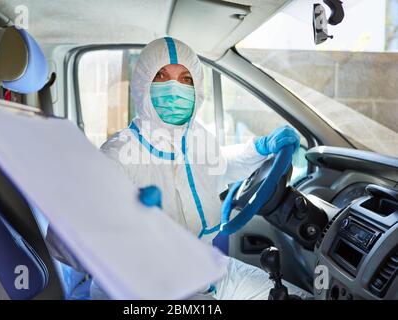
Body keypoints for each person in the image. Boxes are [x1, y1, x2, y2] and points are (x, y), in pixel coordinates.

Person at [48, 37, 308, 300]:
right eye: (161, 76)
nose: (174, 88)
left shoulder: (196, 137)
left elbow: (218, 165)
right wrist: (125, 232)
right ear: (142, 85)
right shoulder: (117, 155)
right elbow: (63, 240)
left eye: (186, 79)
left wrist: (261, 148)